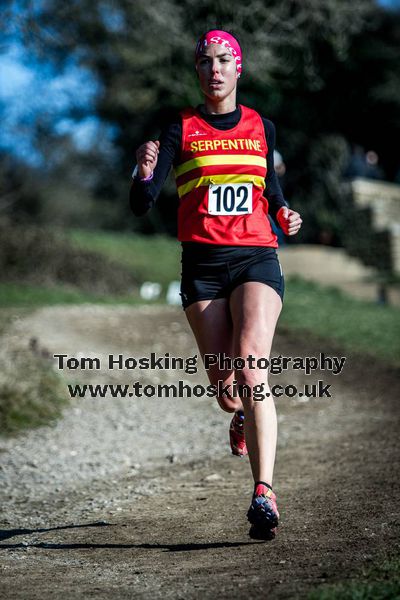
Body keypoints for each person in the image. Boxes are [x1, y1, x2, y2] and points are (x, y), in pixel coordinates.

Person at [130, 29, 302, 539]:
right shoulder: (179, 128)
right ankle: (239, 416)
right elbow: (144, 204)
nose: (214, 70)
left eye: (223, 60)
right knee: (228, 392)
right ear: (197, 71)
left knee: (252, 368)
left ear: (238, 67)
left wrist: (284, 212)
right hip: (203, 268)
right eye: (204, 62)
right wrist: (141, 175)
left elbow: (271, 191)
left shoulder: (261, 127)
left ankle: (264, 493)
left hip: (256, 258)